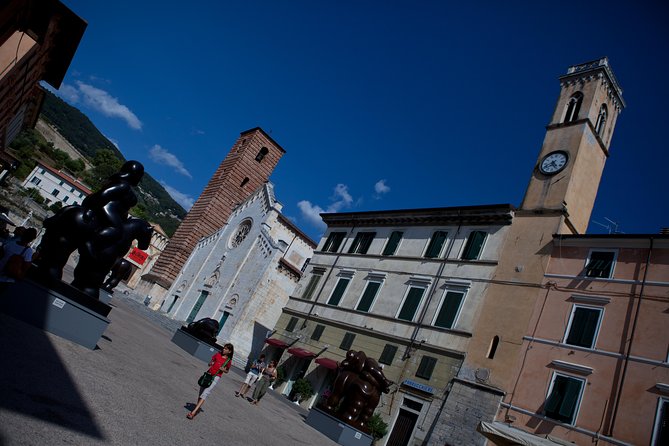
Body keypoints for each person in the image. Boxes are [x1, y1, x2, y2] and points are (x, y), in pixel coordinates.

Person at [187, 343, 234, 420]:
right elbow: (210, 362)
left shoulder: (228, 361)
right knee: (201, 393)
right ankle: (197, 407)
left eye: (226, 349)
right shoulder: (218, 354)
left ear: (229, 351)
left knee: (205, 394)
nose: (223, 349)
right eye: (224, 348)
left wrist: (224, 370)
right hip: (208, 374)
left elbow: (227, 370)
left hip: (215, 377)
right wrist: (210, 363)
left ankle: (193, 413)